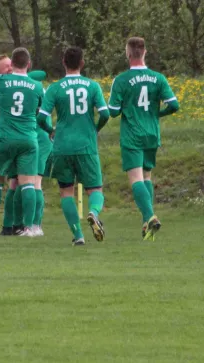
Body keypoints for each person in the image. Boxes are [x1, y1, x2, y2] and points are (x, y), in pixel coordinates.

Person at [37, 46, 110, 246]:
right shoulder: (92, 86)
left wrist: (50, 130)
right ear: (82, 63)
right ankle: (93, 213)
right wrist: (95, 129)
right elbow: (105, 114)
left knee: (66, 191)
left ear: (63, 63)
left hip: (62, 146)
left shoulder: (55, 88)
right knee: (95, 190)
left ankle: (78, 236)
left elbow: (41, 118)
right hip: (86, 145)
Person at [108, 37, 179, 240]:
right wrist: (156, 115)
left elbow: (112, 111)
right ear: (145, 52)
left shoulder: (121, 80)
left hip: (132, 135)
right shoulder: (158, 78)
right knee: (147, 176)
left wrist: (127, 108)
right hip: (151, 134)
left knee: (136, 179)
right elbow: (174, 105)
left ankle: (150, 216)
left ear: (128, 54)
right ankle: (145, 223)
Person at [0, 55, 51, 237]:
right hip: (29, 140)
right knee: (29, 184)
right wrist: (50, 129)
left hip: (5, 138)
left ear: (12, 65)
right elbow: (43, 113)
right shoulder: (37, 86)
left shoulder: (1, 81)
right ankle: (30, 228)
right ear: (29, 64)